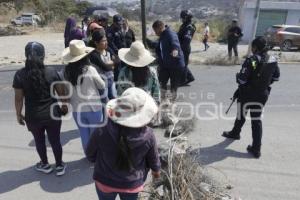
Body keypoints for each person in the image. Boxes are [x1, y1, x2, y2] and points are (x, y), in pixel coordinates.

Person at [86, 87, 161, 200]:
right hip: (132, 185)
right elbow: (154, 162)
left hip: (104, 182)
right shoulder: (148, 135)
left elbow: (90, 155)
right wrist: (156, 174)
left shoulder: (101, 129)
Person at [13, 42, 67, 176]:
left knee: (39, 140)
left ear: (26, 56)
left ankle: (45, 164)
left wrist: (18, 115)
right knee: (55, 140)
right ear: (43, 56)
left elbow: (19, 99)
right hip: (53, 115)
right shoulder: (51, 71)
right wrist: (64, 107)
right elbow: (62, 93)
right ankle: (59, 166)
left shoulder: (20, 75)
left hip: (33, 116)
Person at [222, 37, 280, 158]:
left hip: (248, 94)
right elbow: (276, 78)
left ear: (256, 47)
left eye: (253, 47)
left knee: (241, 114)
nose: (252, 49)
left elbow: (242, 79)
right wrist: (263, 83)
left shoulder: (252, 60)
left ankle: (235, 133)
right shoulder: (273, 59)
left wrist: (239, 77)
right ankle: (256, 148)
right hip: (262, 94)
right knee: (256, 120)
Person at [63, 40, 105, 154]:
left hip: (77, 109)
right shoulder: (90, 69)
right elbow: (102, 85)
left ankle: (88, 154)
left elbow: (66, 90)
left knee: (83, 132)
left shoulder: (66, 72)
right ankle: (96, 155)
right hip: (93, 108)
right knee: (94, 134)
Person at [152, 20, 185, 102]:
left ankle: (171, 104)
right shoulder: (162, 35)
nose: (155, 33)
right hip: (166, 65)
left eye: (155, 30)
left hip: (176, 65)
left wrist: (175, 50)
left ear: (160, 27)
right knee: (161, 82)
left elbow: (175, 43)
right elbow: (159, 48)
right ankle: (161, 100)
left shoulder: (170, 33)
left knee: (174, 86)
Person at [89, 30, 119, 103]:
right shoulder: (93, 54)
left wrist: (111, 63)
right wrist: (112, 65)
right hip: (102, 82)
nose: (106, 43)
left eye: (106, 40)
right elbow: (104, 67)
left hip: (111, 80)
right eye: (103, 41)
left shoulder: (108, 49)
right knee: (104, 102)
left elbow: (118, 60)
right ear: (96, 43)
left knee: (114, 99)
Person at [178, 10, 196, 86]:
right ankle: (190, 77)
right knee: (182, 63)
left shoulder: (189, 27)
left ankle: (183, 80)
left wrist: (180, 48)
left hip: (184, 47)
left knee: (183, 64)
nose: (182, 19)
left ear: (187, 18)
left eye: (183, 18)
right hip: (181, 46)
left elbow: (187, 39)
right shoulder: (184, 25)